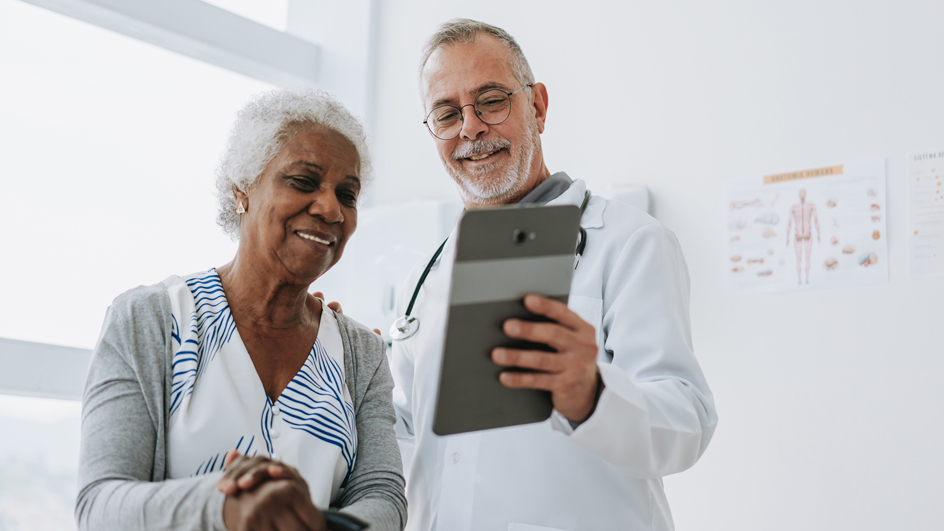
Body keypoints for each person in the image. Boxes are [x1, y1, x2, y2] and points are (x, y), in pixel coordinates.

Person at [389, 19, 718, 531]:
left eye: (491, 101)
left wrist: (591, 394)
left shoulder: (629, 242)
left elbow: (687, 421)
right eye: (447, 113)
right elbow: (410, 437)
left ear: (538, 107)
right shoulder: (424, 276)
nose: (470, 128)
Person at [75, 89, 406, 531]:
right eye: (303, 182)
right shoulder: (151, 321)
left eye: (347, 195)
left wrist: (313, 523)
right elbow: (99, 506)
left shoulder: (361, 352)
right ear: (242, 191)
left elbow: (382, 495)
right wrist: (224, 505)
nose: (330, 208)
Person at [786, 188, 820, 284]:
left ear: (806, 194)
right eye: (800, 193)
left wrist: (818, 234)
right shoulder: (793, 208)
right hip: (798, 235)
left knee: (807, 257)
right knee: (798, 258)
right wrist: (787, 237)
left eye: (803, 193)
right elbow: (789, 223)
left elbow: (816, 220)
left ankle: (807, 278)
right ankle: (799, 279)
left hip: (807, 234)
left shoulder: (811, 206)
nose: (802, 195)